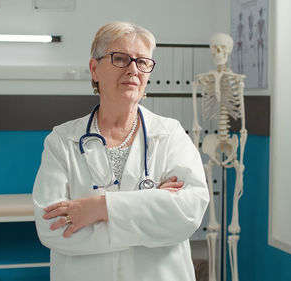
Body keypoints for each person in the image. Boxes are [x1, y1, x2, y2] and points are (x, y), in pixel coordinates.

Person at [32, 21, 209, 281]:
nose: (133, 70)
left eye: (142, 62)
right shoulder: (62, 141)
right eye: (120, 59)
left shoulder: (170, 134)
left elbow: (187, 213)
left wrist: (100, 209)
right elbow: (52, 228)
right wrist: (150, 210)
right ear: (94, 69)